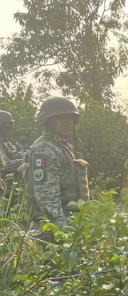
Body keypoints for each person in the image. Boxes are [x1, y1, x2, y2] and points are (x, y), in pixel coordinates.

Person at [27, 97, 90, 235]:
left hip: (66, 223)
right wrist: (63, 232)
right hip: (50, 230)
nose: (67, 122)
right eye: (60, 118)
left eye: (70, 118)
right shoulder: (44, 149)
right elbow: (47, 199)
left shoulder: (62, 146)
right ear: (49, 122)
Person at [0, 110, 29, 175]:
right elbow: (6, 165)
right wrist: (25, 161)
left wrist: (30, 155)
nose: (10, 131)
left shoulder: (5, 142)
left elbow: (15, 154)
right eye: (7, 128)